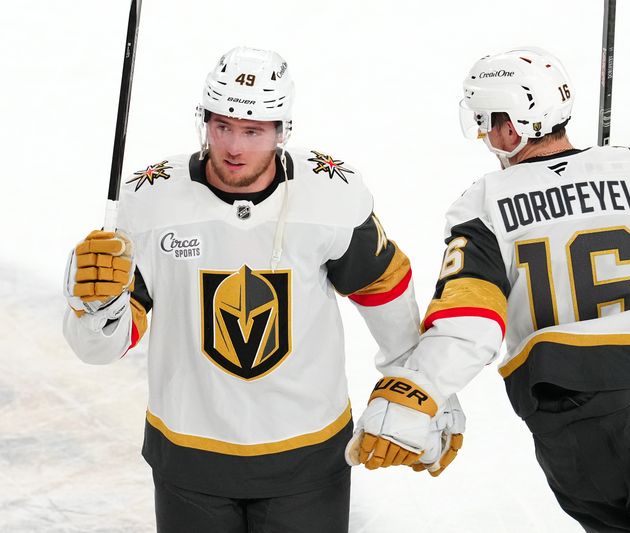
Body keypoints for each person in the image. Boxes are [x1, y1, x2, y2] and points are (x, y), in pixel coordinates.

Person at [348, 46, 630, 532]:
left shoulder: (481, 206)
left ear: (511, 128)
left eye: (485, 122)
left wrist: (414, 393)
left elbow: (469, 324)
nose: (484, 135)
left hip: (570, 448)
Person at [63, 46, 424, 533]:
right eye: (222, 127)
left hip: (308, 460)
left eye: (252, 131)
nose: (233, 146)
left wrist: (419, 384)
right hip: (190, 461)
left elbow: (382, 287)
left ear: (281, 132)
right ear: (204, 122)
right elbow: (102, 349)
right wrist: (94, 307)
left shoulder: (331, 194)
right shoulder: (150, 202)